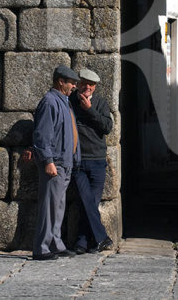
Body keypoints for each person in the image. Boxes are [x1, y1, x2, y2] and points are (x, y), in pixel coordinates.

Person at [31, 65, 81, 261]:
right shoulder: (50, 102)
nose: (74, 86)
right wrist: (47, 161)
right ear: (61, 81)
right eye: (71, 82)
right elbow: (42, 136)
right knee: (49, 207)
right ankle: (42, 247)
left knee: (58, 207)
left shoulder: (64, 102)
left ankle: (56, 244)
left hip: (65, 163)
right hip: (56, 163)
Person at [69, 69, 114, 255]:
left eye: (91, 85)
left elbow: (107, 127)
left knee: (91, 203)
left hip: (97, 161)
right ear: (78, 83)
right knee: (85, 201)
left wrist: (90, 110)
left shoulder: (101, 103)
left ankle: (82, 242)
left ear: (95, 87)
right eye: (84, 83)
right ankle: (101, 238)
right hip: (78, 160)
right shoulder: (70, 102)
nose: (87, 87)